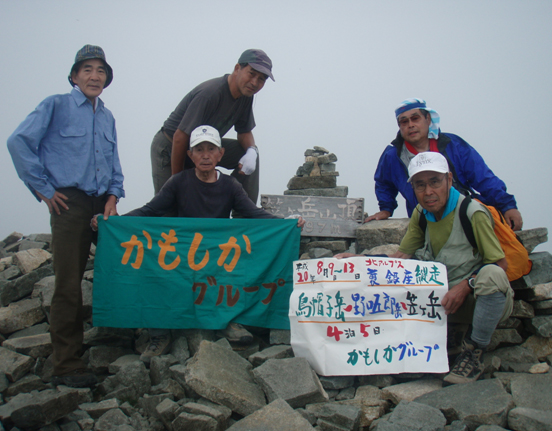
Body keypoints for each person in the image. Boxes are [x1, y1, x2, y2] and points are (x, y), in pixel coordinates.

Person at [94, 125, 303, 363]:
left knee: (234, 276)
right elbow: (150, 210)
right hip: (184, 255)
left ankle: (227, 322)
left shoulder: (230, 185)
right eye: (199, 150)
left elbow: (253, 213)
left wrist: (286, 224)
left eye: (211, 149)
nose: (205, 155)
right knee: (156, 277)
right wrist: (114, 224)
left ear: (220, 154)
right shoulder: (178, 182)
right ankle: (159, 334)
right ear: (190, 155)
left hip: (217, 256)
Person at [7, 45, 125, 387]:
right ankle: (66, 364)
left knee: (125, 267)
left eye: (101, 71)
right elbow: (18, 142)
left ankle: (122, 342)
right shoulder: (55, 105)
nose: (94, 76)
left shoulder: (107, 116)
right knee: (69, 285)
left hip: (103, 205)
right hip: (68, 204)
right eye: (87, 69)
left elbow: (115, 164)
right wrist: (43, 189)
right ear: (74, 76)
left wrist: (114, 198)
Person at [367, 98, 523, 231]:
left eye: (415, 119)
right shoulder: (393, 156)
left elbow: (482, 177)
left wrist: (507, 205)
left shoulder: (452, 145)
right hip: (426, 222)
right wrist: (386, 209)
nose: (410, 125)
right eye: (404, 121)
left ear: (428, 119)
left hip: (466, 213)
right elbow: (383, 183)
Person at [150, 49, 275, 206]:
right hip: (171, 146)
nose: (255, 82)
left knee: (247, 153)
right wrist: (178, 183)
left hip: (205, 147)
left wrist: (252, 151)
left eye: (261, 79)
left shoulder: (246, 95)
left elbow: (244, 132)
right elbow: (180, 137)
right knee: (170, 206)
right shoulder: (210, 94)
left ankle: (244, 214)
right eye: (251, 74)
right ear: (237, 69)